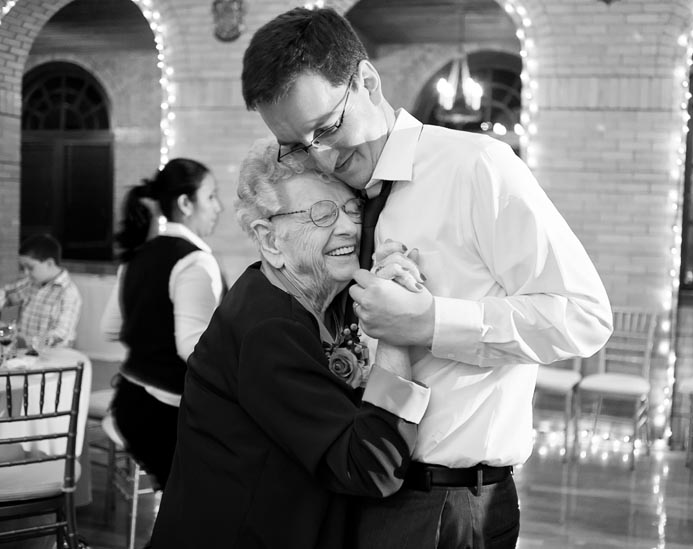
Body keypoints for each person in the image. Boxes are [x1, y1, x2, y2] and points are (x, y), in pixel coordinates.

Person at [241, 8, 613, 548]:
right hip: (360, 485)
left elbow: (584, 317)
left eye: (327, 128)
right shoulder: (345, 198)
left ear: (367, 82)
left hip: (451, 502)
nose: (321, 157)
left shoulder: (477, 168)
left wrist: (432, 322)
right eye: (299, 145)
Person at [149, 139, 431, 548]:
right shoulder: (269, 330)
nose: (349, 227)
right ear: (270, 241)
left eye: (352, 209)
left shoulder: (313, 300)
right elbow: (373, 466)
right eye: (321, 214)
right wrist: (395, 331)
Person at [100, 158, 223, 490]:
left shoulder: (137, 255)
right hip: (165, 416)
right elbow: (192, 349)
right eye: (211, 197)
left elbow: (109, 328)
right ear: (185, 203)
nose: (218, 207)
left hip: (128, 405)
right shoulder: (196, 261)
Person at [0, 233, 81, 349]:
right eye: (23, 268)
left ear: (49, 263)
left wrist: (29, 343)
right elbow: (7, 294)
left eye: (30, 267)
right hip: (24, 348)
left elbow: (60, 335)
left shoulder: (68, 293)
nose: (26, 273)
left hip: (51, 356)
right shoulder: (29, 283)